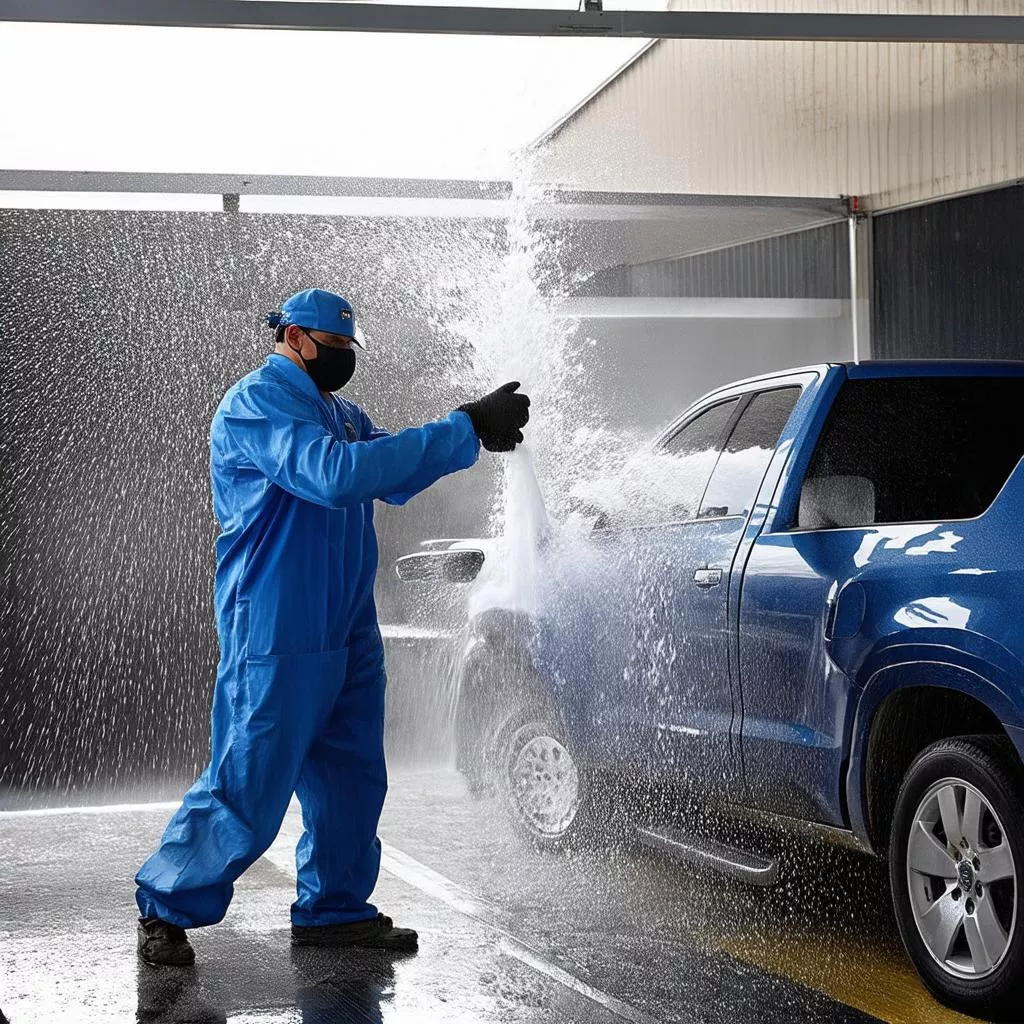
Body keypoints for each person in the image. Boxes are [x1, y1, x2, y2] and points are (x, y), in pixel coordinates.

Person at [135, 288, 530, 966]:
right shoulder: (257, 403)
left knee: (352, 774)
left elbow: (389, 472)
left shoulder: (341, 413)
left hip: (345, 620)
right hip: (276, 622)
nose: (344, 357)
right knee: (250, 777)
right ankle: (166, 904)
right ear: (293, 337)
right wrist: (463, 426)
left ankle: (334, 910)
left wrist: (470, 435)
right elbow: (334, 476)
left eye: (350, 346)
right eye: (334, 345)